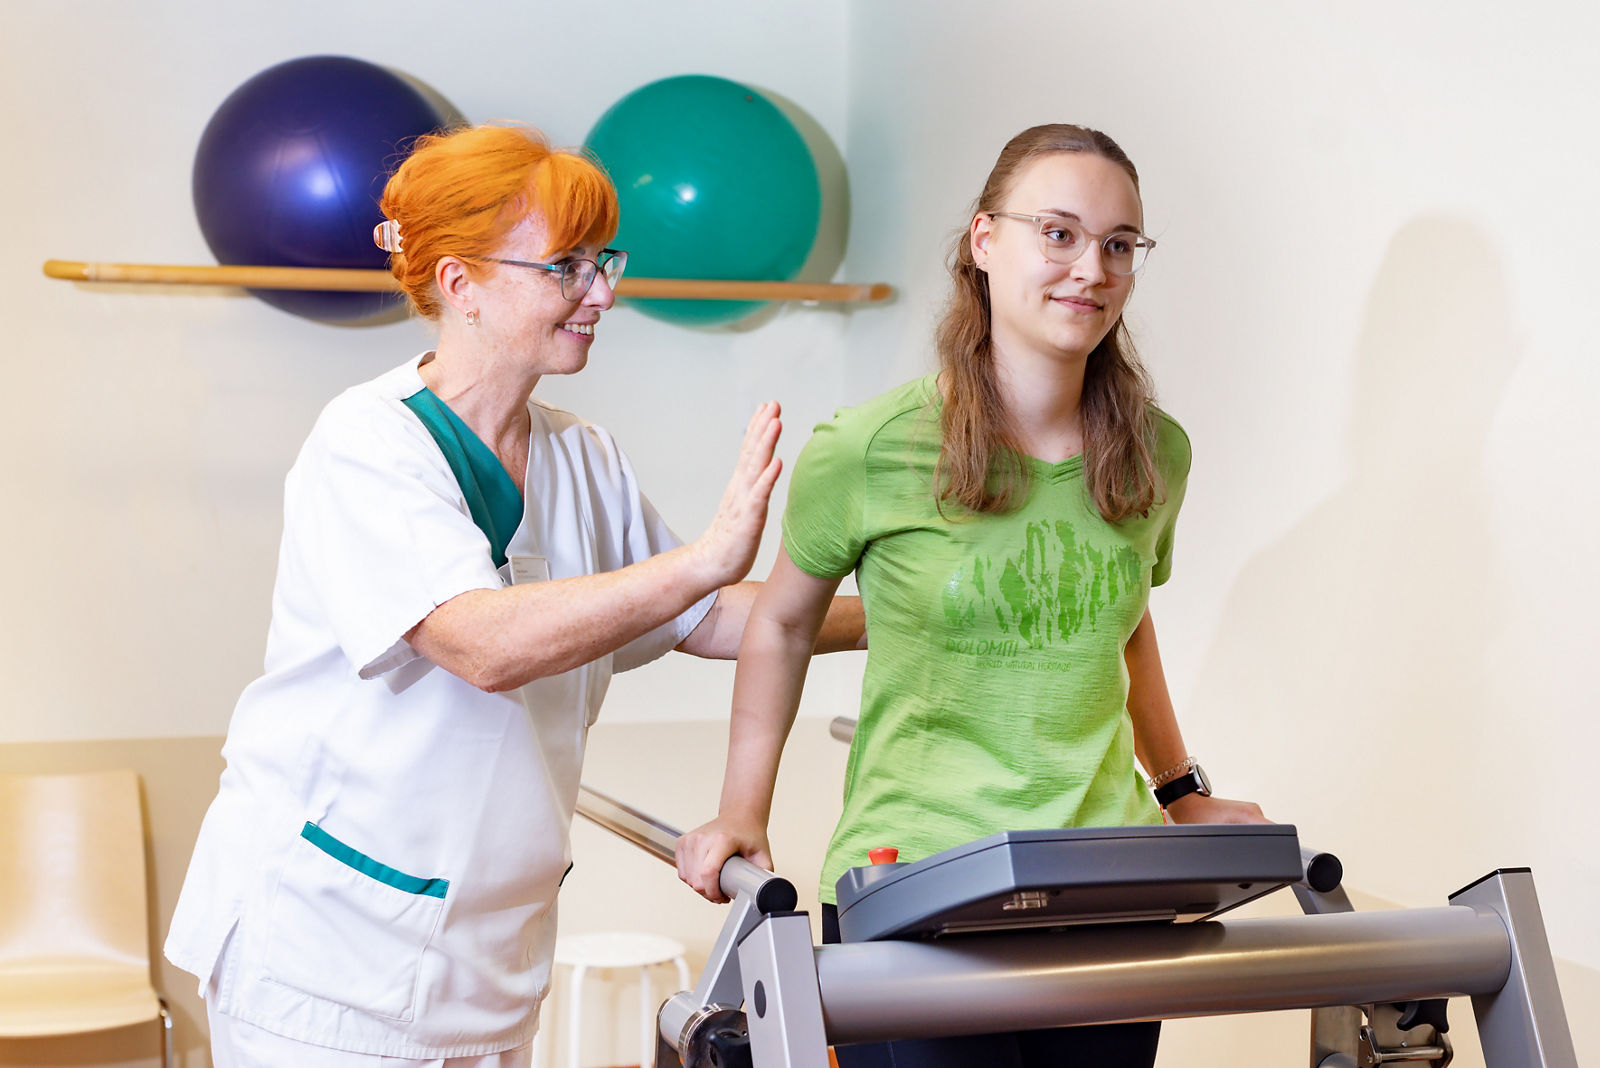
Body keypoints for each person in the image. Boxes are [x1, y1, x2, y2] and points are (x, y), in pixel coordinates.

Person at [164, 123, 864, 1067]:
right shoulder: (367, 444)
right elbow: (482, 644)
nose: (601, 294)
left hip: (491, 959)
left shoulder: (582, 453)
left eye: (603, 262)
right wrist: (699, 558)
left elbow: (712, 617)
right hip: (329, 955)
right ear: (461, 284)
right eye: (567, 268)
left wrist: (920, 609)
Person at [675, 124, 1267, 1068]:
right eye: (1060, 234)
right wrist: (743, 807)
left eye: (1120, 245)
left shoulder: (1157, 453)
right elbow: (784, 623)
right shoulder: (870, 447)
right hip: (917, 882)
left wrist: (1181, 792)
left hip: (1105, 883)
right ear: (985, 242)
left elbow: (1128, 629)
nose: (1093, 268)